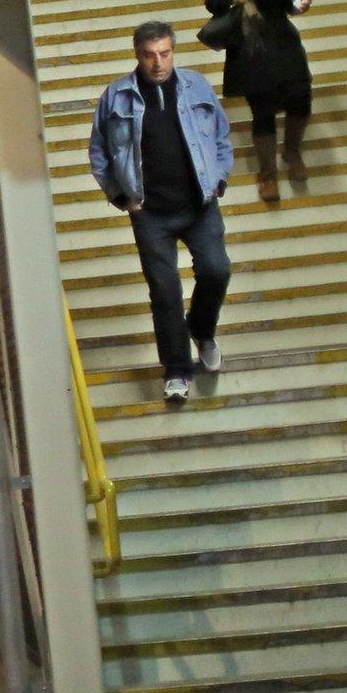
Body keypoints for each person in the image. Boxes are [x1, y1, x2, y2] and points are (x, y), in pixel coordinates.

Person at [88, 20, 236, 405]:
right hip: (150, 211)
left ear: (174, 51)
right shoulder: (117, 97)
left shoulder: (196, 86)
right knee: (165, 291)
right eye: (150, 55)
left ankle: (202, 332)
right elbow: (100, 152)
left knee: (216, 269)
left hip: (199, 204)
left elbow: (221, 135)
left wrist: (219, 179)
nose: (158, 62)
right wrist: (121, 197)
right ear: (138, 54)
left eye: (165, 53)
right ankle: (176, 371)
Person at [206, 0, 313, 202]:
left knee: (301, 96)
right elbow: (212, 2)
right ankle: (267, 175)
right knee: (262, 110)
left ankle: (292, 151)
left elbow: (290, 2)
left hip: (282, 38)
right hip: (248, 42)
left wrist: (299, 4)